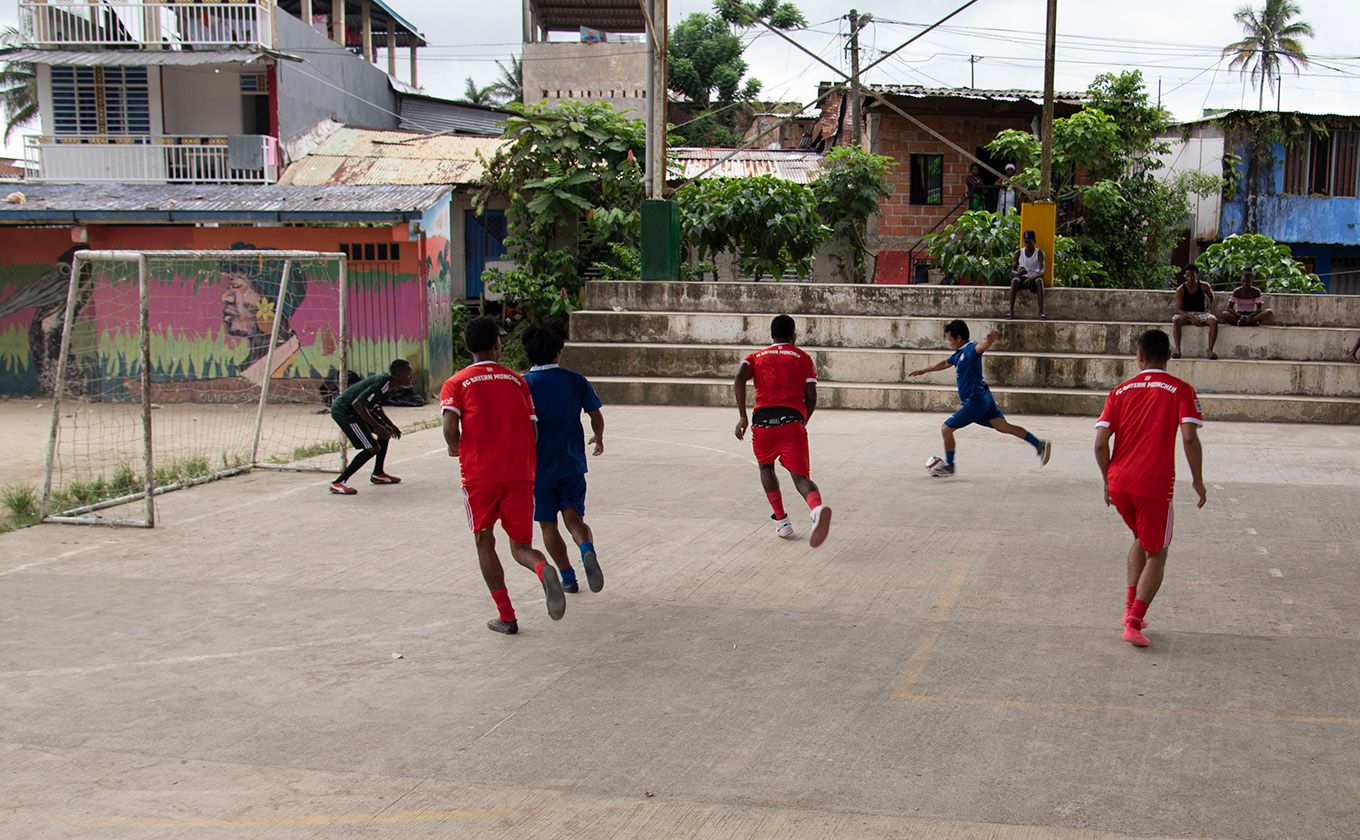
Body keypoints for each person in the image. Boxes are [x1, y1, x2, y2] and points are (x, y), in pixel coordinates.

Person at [441, 317, 565, 635]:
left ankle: (506, 616)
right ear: (498, 345)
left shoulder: (456, 383)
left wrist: (455, 448)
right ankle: (542, 567)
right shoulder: (517, 381)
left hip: (480, 475)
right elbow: (533, 432)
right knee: (521, 546)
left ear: (467, 347)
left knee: (485, 541)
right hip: (520, 473)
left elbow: (450, 427)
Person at [1094, 328, 1207, 649]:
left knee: (1140, 539)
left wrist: (1107, 480)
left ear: (1139, 357)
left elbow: (1100, 443)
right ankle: (1133, 620)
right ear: (1169, 356)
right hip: (1153, 485)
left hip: (1120, 482)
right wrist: (1198, 480)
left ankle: (1130, 608)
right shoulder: (1180, 390)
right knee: (1157, 552)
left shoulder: (1119, 392)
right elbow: (1189, 437)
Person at [733, 315, 833, 547]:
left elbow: (739, 376)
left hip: (763, 424)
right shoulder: (803, 358)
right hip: (792, 421)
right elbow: (811, 396)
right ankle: (816, 509)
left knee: (766, 468)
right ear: (793, 335)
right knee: (801, 479)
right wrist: (802, 420)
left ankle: (782, 522)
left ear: (772, 335)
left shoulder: (756, 357)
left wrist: (742, 416)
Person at [521, 322, 606, 595]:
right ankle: (586, 548)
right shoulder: (575, 380)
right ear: (559, 351)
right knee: (574, 520)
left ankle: (568, 577)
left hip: (538, 467)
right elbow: (595, 415)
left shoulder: (523, 385)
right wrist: (598, 437)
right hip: (571, 463)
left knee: (548, 524)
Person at [907, 319, 1051, 476]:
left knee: (946, 429)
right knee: (1003, 426)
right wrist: (924, 370)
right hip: (984, 398)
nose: (949, 342)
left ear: (959, 338)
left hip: (975, 402)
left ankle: (949, 465)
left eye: (950, 339)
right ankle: (1038, 444)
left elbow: (980, 347)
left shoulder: (970, 349)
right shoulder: (959, 353)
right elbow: (944, 364)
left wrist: (989, 341)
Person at [328, 359, 410, 495]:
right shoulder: (382, 383)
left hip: (357, 410)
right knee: (372, 448)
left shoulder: (388, 385)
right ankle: (338, 482)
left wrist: (389, 425)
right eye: (408, 374)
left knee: (385, 433)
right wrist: (377, 427)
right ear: (398, 374)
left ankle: (378, 473)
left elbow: (376, 406)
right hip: (346, 412)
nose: (411, 377)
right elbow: (358, 404)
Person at [1171, 265, 1218, 360]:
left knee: (1214, 321)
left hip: (1201, 313)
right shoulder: (1181, 289)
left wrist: (1209, 309)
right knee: (1176, 320)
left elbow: (1212, 297)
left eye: (1192, 275)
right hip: (1186, 313)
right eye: (1188, 276)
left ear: (1197, 275)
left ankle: (1210, 350)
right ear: (1185, 276)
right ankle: (1177, 349)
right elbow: (1178, 309)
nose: (1190, 278)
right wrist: (1191, 317)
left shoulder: (1204, 286)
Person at [1008, 229, 1047, 320]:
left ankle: (1041, 312)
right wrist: (1018, 273)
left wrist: (1032, 278)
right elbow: (1013, 270)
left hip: (1034, 278)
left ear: (1034, 242)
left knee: (1039, 281)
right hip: (1022, 277)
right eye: (1025, 242)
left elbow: (1042, 271)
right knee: (1014, 280)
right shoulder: (1018, 253)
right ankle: (1011, 311)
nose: (1027, 245)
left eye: (1029, 242)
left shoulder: (1039, 253)